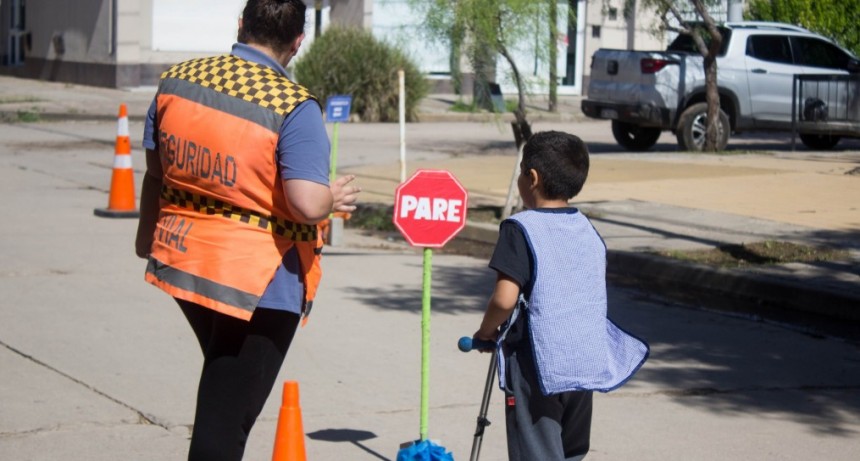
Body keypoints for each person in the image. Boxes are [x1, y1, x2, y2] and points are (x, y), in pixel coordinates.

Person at [134, 1, 360, 459]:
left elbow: (156, 172)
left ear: (241, 25)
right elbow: (305, 202)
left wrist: (145, 239)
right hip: (257, 285)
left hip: (185, 261)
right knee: (225, 420)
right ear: (298, 41)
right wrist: (332, 197)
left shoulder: (178, 81)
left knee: (223, 383)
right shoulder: (292, 106)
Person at [472, 131, 649, 461]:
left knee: (538, 451)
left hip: (536, 364)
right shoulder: (586, 227)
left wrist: (486, 332)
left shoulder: (520, 227)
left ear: (532, 178)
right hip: (584, 360)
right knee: (570, 452)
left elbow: (504, 299)